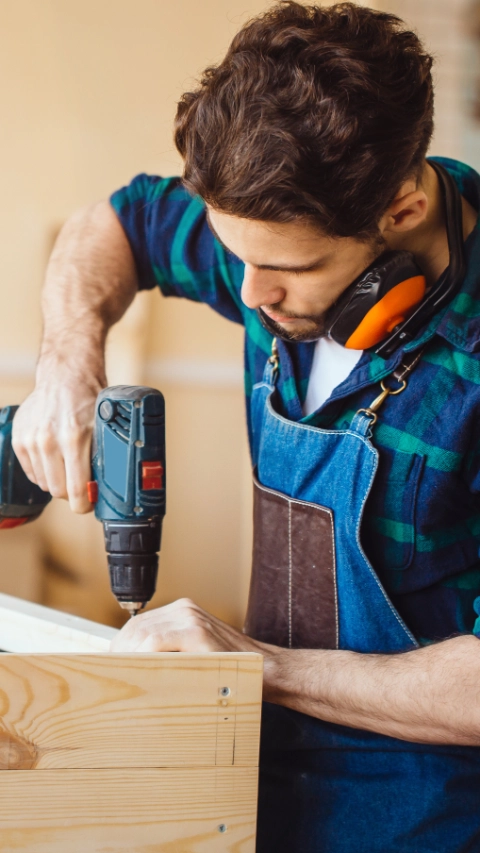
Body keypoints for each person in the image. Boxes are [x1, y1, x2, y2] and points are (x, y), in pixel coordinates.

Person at [12, 3, 480, 850]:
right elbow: (112, 224)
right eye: (236, 258)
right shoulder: (271, 236)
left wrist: (260, 665)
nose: (251, 296)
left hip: (431, 818)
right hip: (258, 781)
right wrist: (68, 365)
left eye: (289, 270)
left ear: (403, 210)